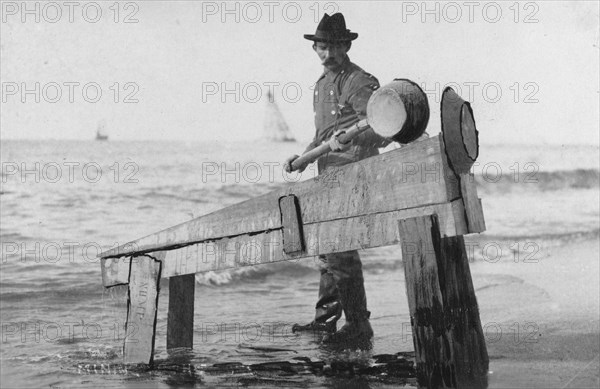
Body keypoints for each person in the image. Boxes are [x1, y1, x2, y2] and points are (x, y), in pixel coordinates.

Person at [283, 13, 390, 344]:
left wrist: (353, 137)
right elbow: (322, 135)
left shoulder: (359, 81)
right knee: (328, 249)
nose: (328, 54)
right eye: (322, 47)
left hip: (354, 176)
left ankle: (359, 324)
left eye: (335, 47)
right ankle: (325, 321)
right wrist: (301, 158)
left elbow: (383, 128)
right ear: (315, 47)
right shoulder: (321, 86)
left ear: (346, 46)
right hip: (327, 175)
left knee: (340, 249)